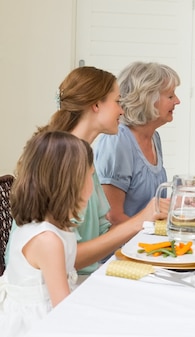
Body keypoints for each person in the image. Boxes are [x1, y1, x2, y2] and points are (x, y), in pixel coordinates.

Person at [5, 66, 168, 276]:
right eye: (118, 102)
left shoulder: (84, 155)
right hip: (50, 286)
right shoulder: (60, 162)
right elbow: (63, 257)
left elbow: (102, 230)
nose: (122, 110)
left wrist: (158, 242)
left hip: (82, 275)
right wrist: (139, 221)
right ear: (96, 105)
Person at [0, 131, 93, 337]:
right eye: (90, 175)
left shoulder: (57, 226)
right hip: (35, 324)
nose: (93, 185)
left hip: (49, 310)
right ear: (71, 183)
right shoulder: (48, 240)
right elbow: (63, 311)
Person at [94, 61, 180, 224]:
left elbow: (148, 208)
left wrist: (177, 205)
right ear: (148, 99)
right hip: (125, 247)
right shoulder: (117, 140)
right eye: (170, 96)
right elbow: (113, 217)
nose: (177, 101)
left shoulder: (154, 137)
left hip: (149, 241)